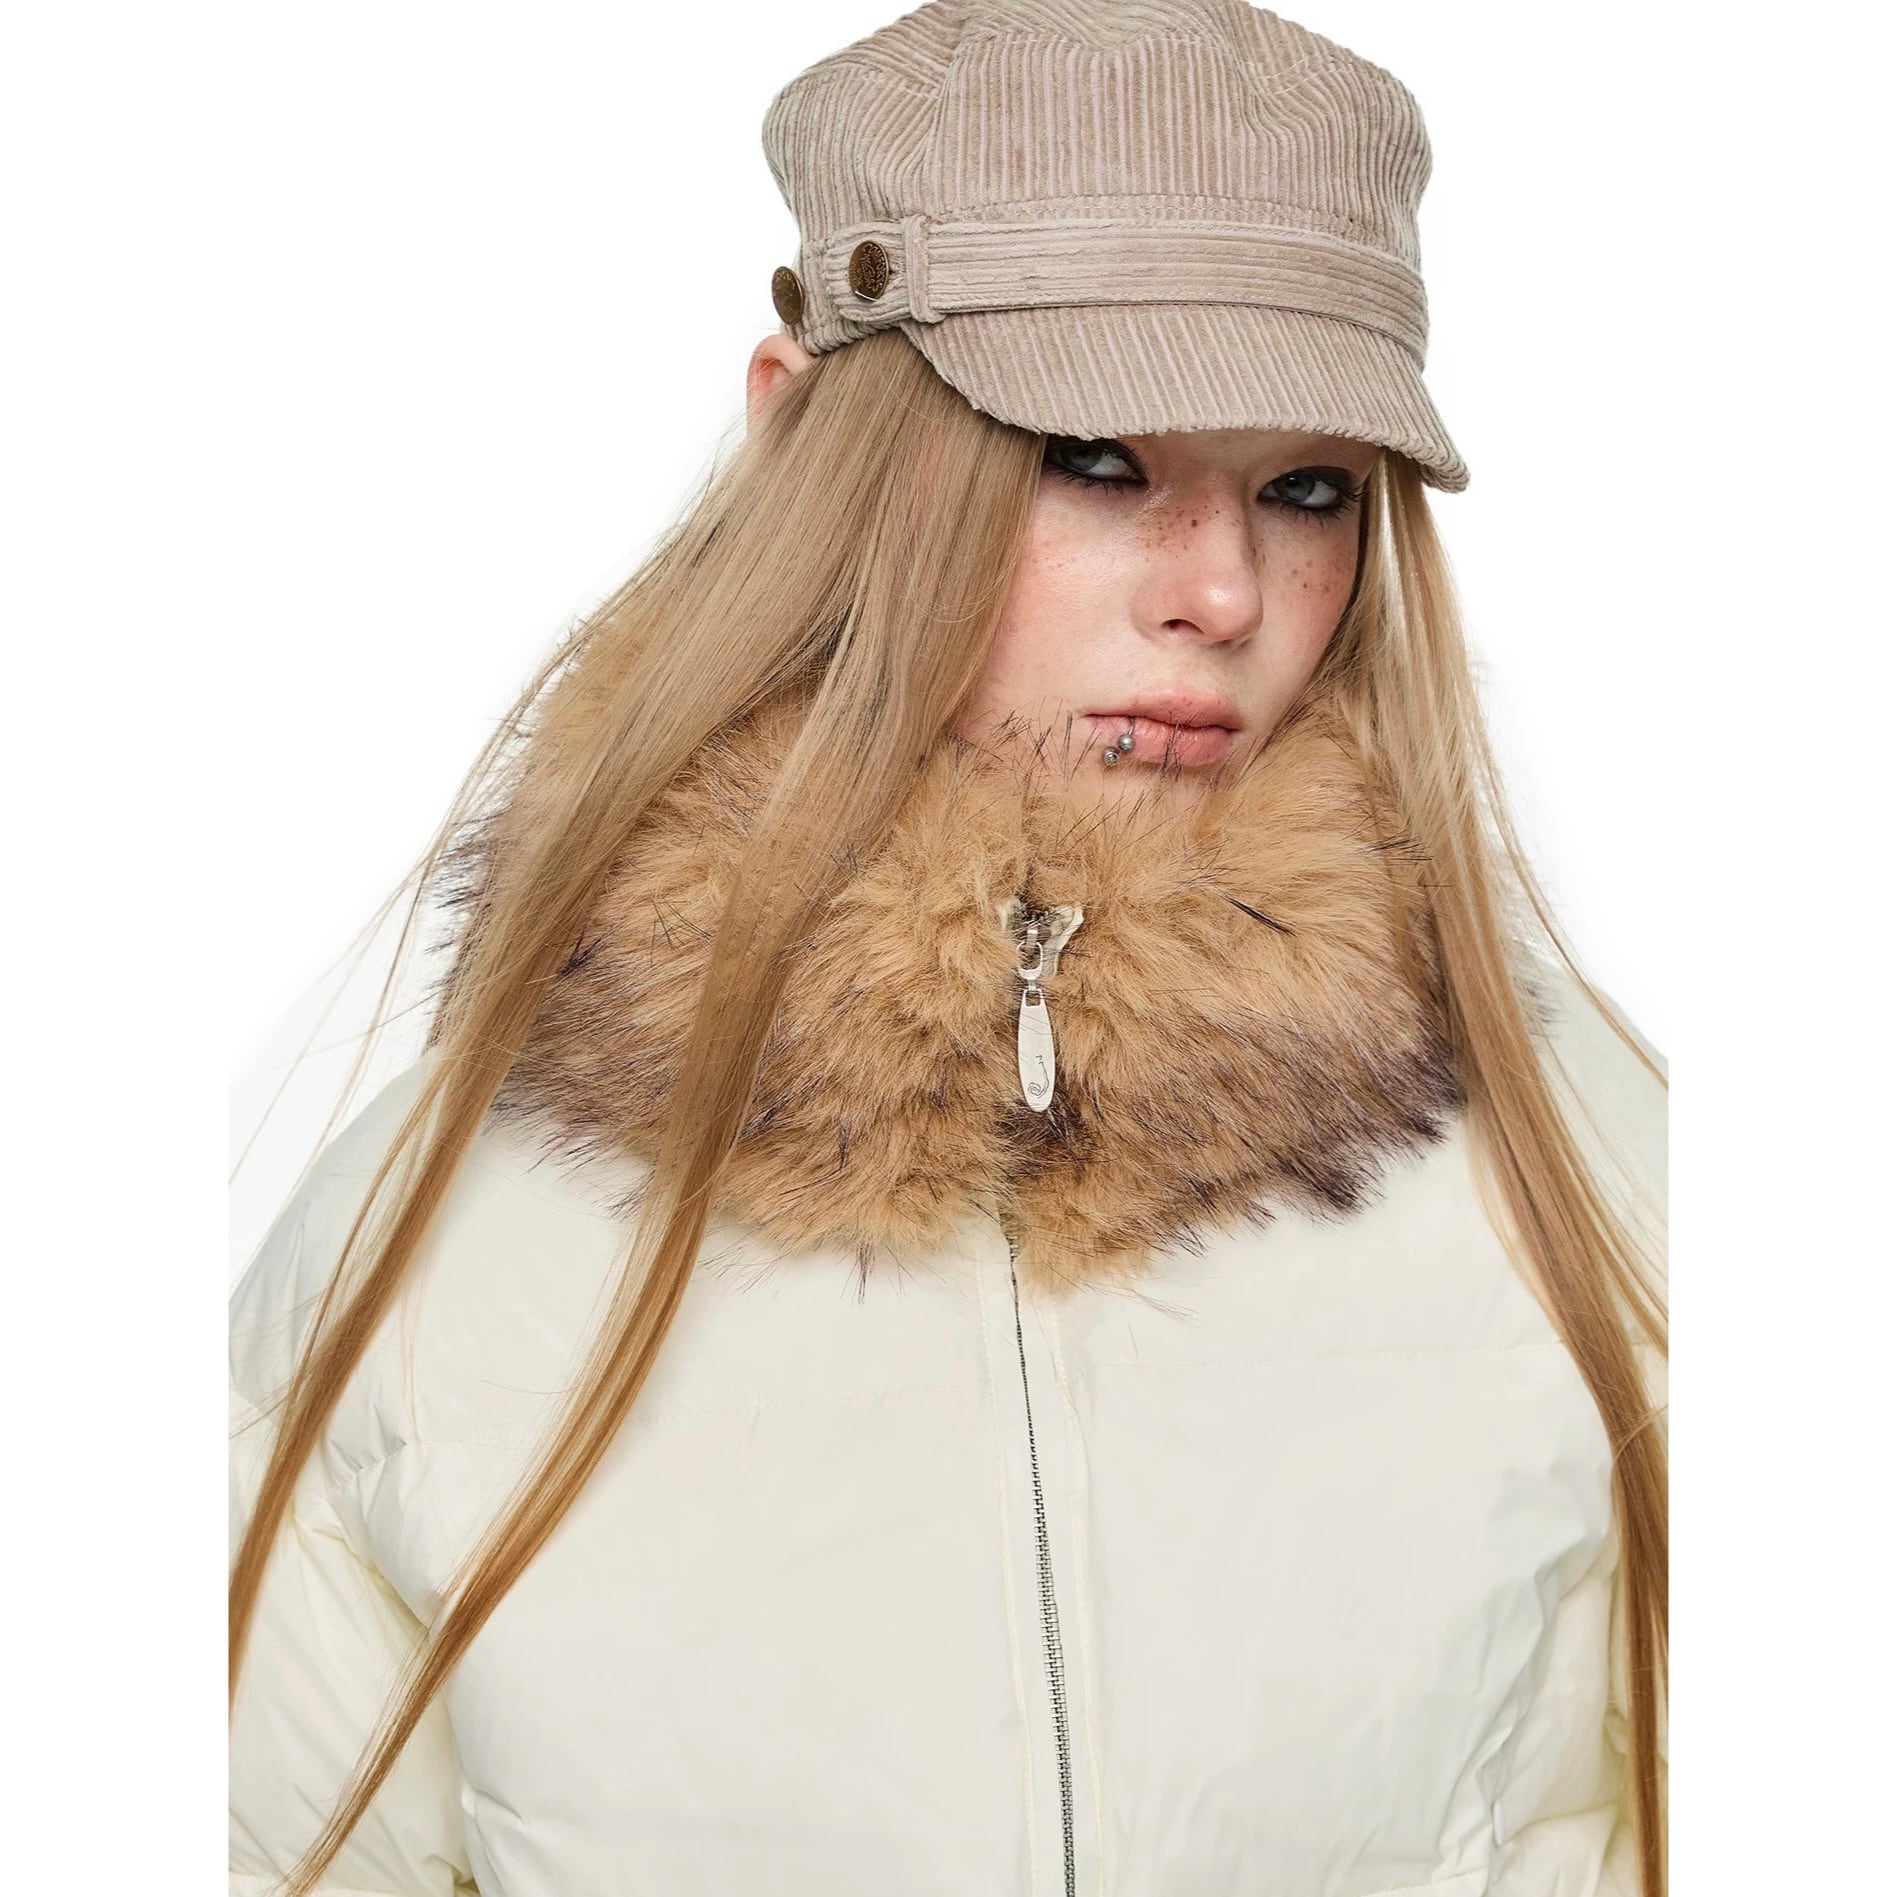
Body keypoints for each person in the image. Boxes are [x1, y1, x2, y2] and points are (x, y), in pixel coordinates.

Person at [228, 3, 1668, 1894]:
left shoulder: (1587, 1179)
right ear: (797, 430)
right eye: (1092, 455)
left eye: (1307, 487)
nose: (1222, 589)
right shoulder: (430, 1243)